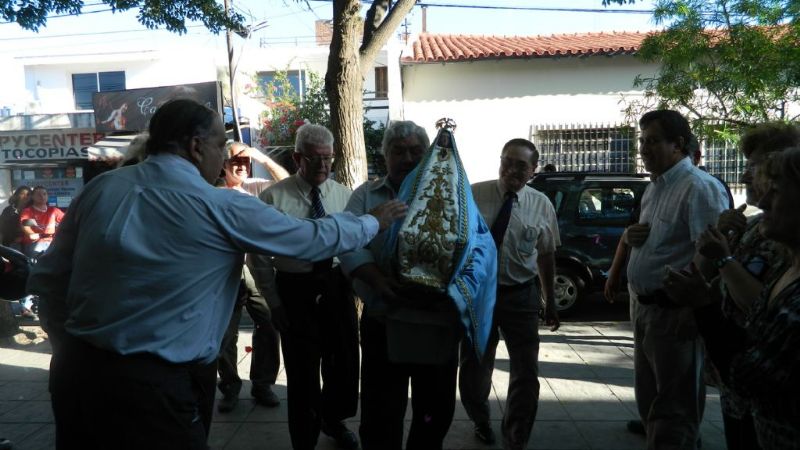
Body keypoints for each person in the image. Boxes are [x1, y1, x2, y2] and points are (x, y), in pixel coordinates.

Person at [27, 99, 407, 449]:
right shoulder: (218, 205)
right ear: (196, 146)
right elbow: (310, 239)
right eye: (221, 146)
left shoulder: (102, 188)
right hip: (155, 388)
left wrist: (72, 346)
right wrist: (373, 221)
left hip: (75, 376)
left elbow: (48, 277)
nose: (224, 156)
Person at [663, 123, 800, 450]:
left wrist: (723, 264)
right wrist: (719, 243)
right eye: (748, 167)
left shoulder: (777, 236)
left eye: (761, 170)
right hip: (734, 385)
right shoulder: (753, 226)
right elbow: (708, 279)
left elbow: (761, 312)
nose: (749, 178)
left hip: (763, 396)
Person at [249, 124, 359, 450]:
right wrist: (275, 304)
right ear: (298, 157)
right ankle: (304, 437)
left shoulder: (344, 196)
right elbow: (258, 257)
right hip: (295, 289)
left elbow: (354, 245)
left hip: (337, 288)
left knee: (344, 364)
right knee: (302, 373)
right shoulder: (274, 198)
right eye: (315, 159)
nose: (324, 166)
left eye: (329, 159)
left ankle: (333, 420)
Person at [624, 109, 729, 449]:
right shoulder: (655, 188)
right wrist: (632, 237)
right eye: (642, 141)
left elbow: (712, 253)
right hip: (645, 310)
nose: (644, 148)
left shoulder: (699, 187)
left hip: (675, 314)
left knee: (676, 410)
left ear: (679, 144)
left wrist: (691, 310)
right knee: (651, 401)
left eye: (653, 141)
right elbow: (660, 242)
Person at [459, 138, 561, 449]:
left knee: (526, 372)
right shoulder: (474, 194)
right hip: (480, 297)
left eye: (521, 165)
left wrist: (551, 302)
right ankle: (479, 419)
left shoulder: (541, 204)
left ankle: (516, 435)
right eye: (507, 161)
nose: (512, 170)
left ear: (532, 170)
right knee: (475, 368)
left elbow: (546, 256)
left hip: (521, 296)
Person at [216, 141, 290, 413]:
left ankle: (262, 384)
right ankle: (230, 387)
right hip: (227, 270)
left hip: (257, 267)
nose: (242, 165)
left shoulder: (257, 186)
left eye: (246, 162)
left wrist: (261, 157)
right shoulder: (215, 193)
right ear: (223, 165)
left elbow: (287, 183)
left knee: (269, 327)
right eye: (235, 161)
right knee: (226, 334)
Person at [1, 186, 35, 318]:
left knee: (30, 270)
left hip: (29, 243)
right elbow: (3, 228)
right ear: (17, 195)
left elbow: (32, 227)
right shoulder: (9, 210)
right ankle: (23, 307)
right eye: (23, 194)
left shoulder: (30, 210)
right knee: (19, 271)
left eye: (28, 194)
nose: (26, 197)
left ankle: (26, 306)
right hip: (14, 244)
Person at [19, 186, 64, 258]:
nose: (42, 196)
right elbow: (26, 226)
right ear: (33, 197)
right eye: (38, 194)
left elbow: (66, 221)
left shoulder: (54, 210)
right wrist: (32, 234)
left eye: (44, 194)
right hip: (35, 242)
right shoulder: (29, 211)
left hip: (51, 242)